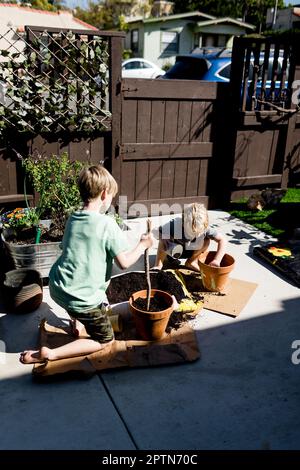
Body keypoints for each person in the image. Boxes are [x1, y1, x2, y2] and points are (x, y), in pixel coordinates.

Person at [20, 165, 153, 364]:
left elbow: (67, 250)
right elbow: (124, 262)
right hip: (82, 300)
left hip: (58, 287)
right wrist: (143, 245)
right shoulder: (107, 224)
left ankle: (76, 321)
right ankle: (50, 353)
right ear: (104, 193)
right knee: (105, 340)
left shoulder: (73, 218)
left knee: (76, 288)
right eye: (111, 197)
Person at [153, 203, 226, 272]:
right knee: (163, 238)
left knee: (206, 240)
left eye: (198, 233)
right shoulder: (174, 224)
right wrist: (163, 238)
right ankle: (158, 265)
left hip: (192, 252)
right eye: (191, 233)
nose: (196, 236)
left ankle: (191, 262)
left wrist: (217, 260)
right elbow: (155, 231)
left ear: (205, 225)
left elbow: (222, 240)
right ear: (182, 224)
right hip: (174, 251)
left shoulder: (205, 228)